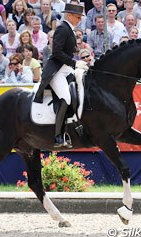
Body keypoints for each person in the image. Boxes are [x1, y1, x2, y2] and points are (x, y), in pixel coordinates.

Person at [33, 3, 89, 148]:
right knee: (66, 98)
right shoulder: (62, 28)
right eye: (77, 17)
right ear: (69, 15)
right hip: (56, 70)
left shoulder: (70, 29)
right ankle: (58, 136)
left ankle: (74, 127)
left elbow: (67, 50)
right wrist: (74, 63)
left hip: (66, 69)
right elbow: (57, 52)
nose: (79, 20)